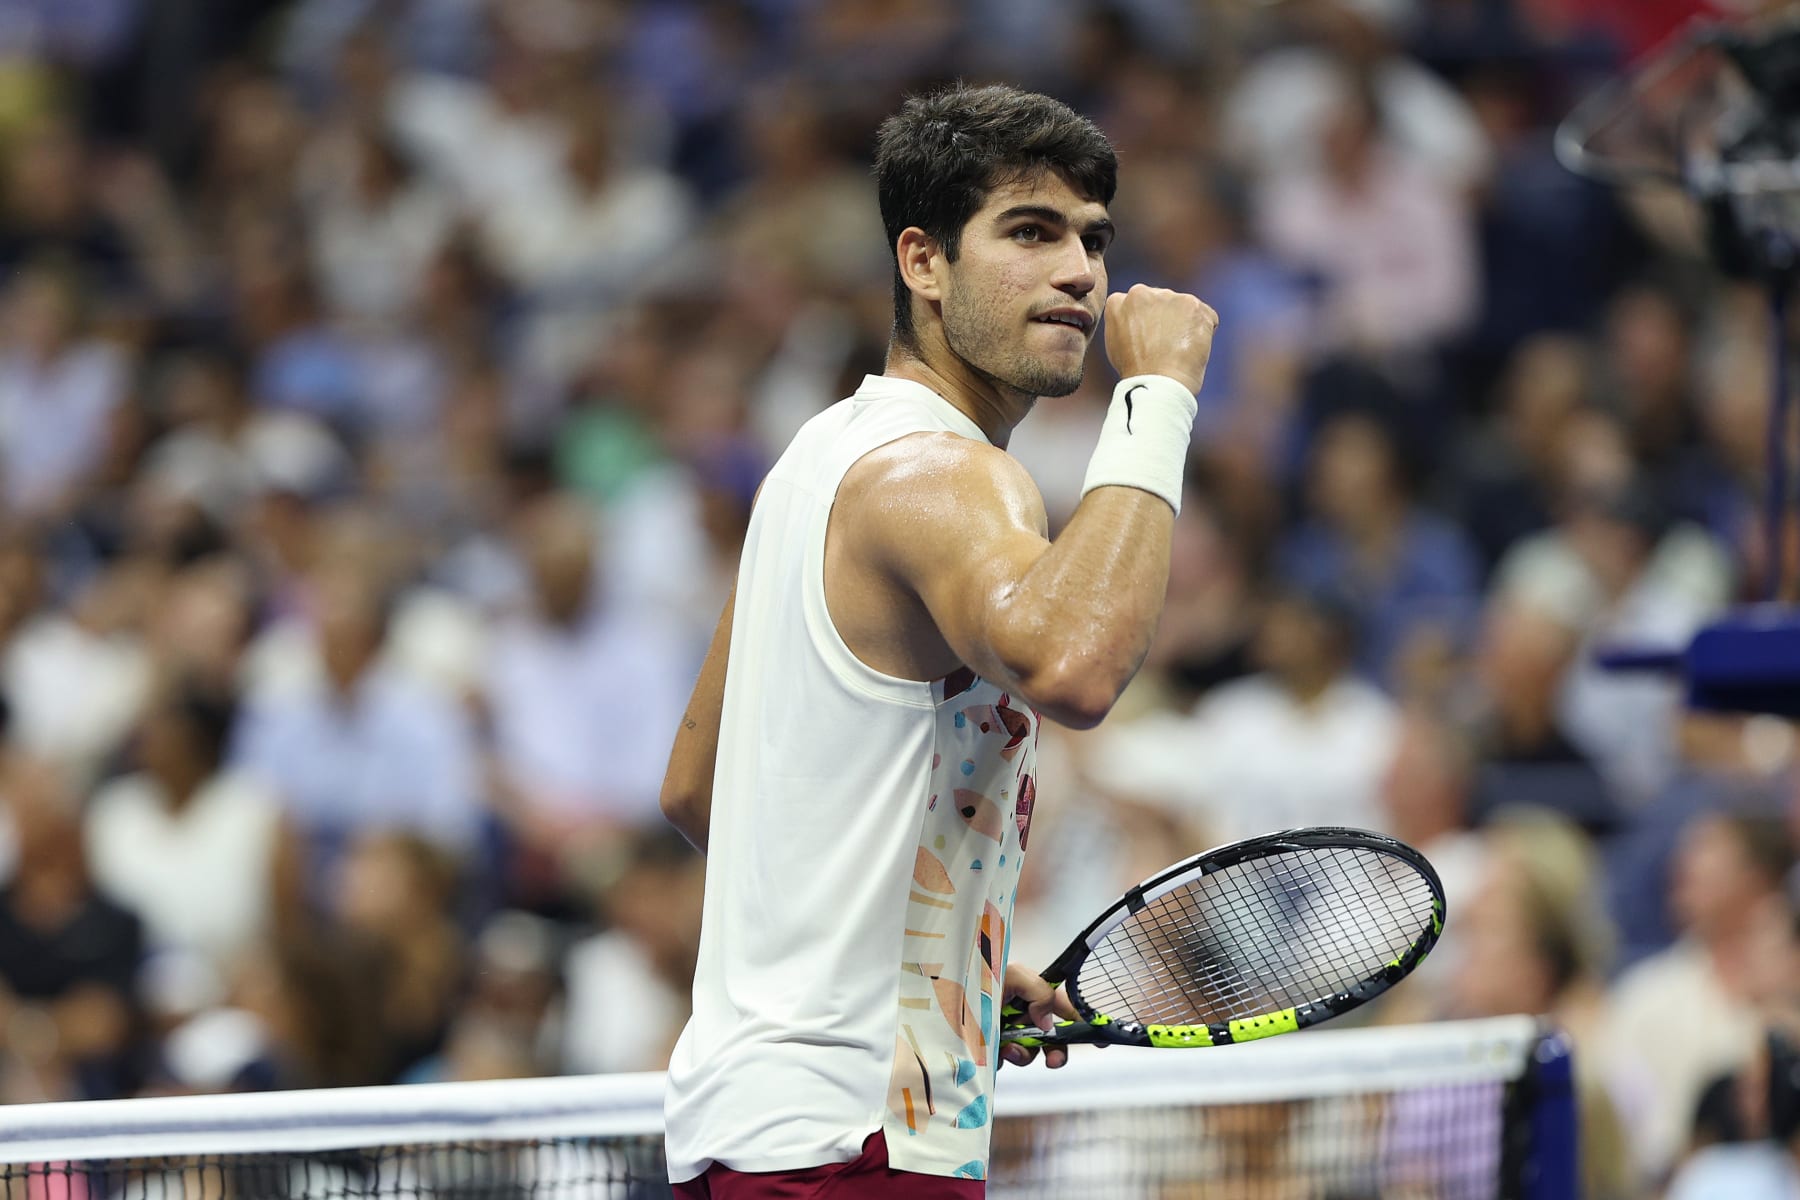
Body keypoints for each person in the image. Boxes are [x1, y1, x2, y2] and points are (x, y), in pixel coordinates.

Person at [659, 83, 1217, 1197]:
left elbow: (693, 788)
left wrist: (938, 951)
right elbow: (1076, 664)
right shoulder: (944, 471)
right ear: (922, 261)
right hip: (855, 1139)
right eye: (1030, 231)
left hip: (764, 1134)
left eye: (1094, 240)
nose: (1080, 272)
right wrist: (1156, 396)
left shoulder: (817, 459)